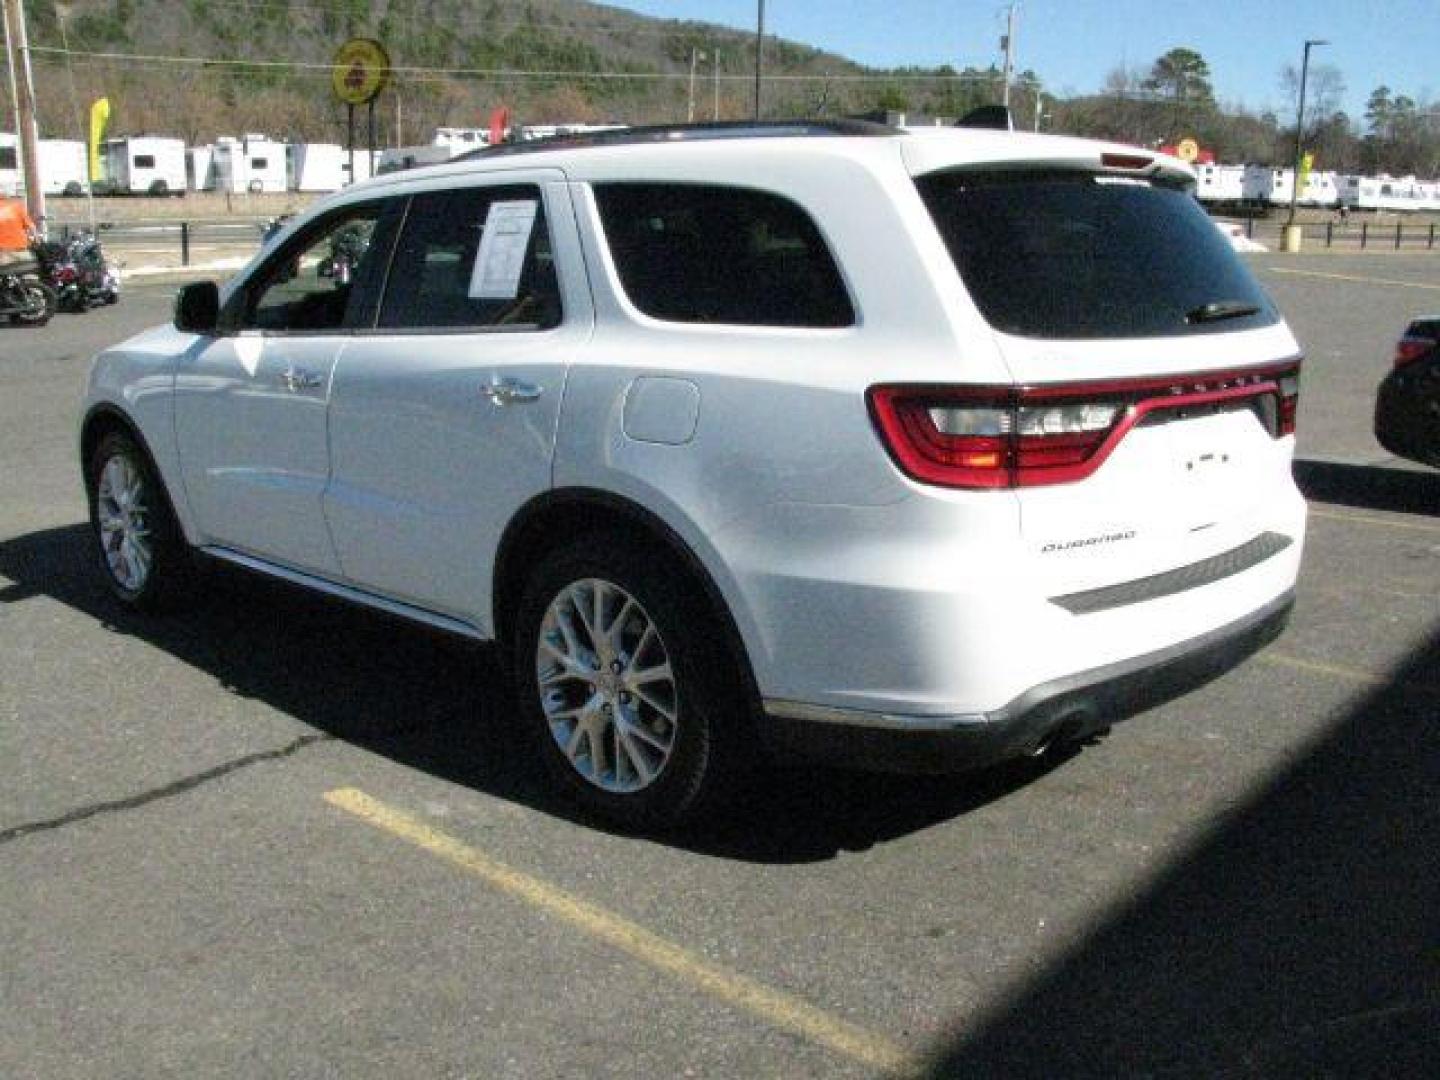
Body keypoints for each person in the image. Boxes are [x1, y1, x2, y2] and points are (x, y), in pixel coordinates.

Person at [0, 197, 39, 272]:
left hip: (4, 254)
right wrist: (37, 240)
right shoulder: (16, 207)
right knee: (30, 275)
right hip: (22, 252)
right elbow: (31, 227)